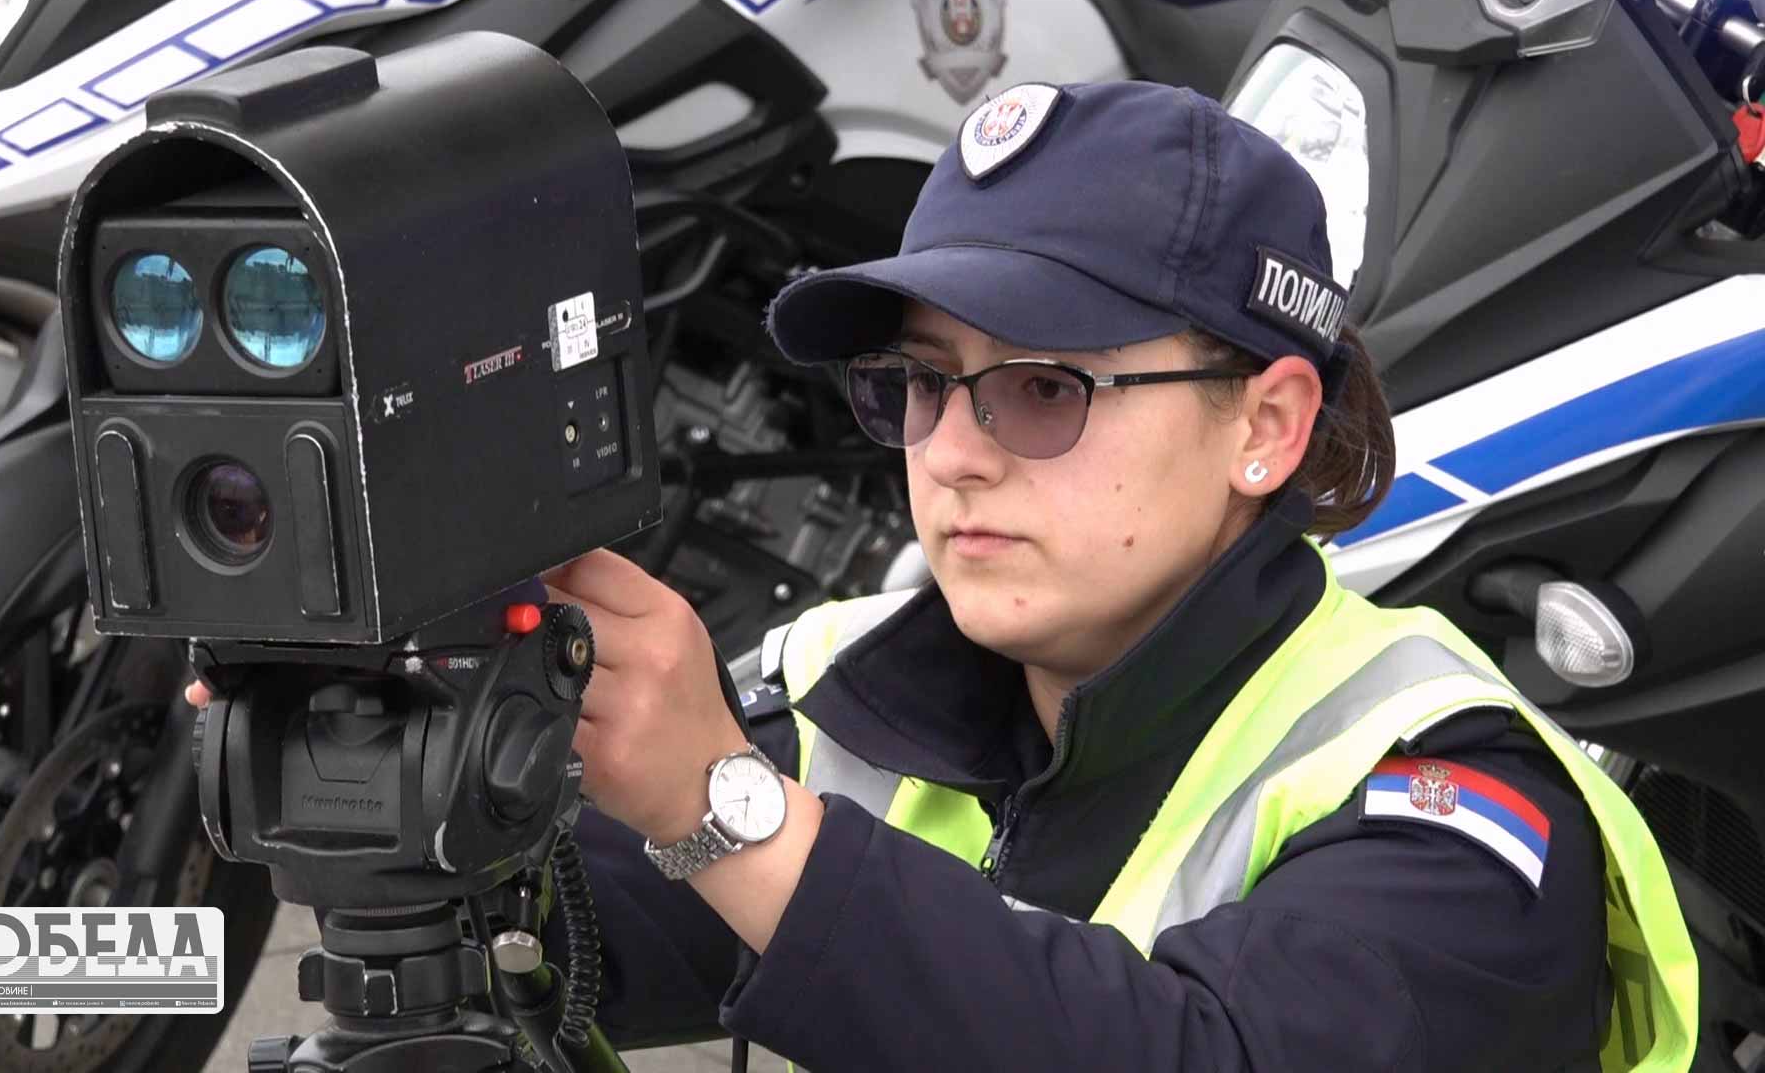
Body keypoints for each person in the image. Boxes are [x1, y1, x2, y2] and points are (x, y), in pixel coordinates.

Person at [192, 80, 1698, 1070]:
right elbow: (577, 948)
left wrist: (727, 810)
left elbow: (1195, 1056)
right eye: (921, 384)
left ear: (1267, 426)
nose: (954, 454)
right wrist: (402, 759)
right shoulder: (861, 690)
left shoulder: (1447, 794)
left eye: (1042, 389)